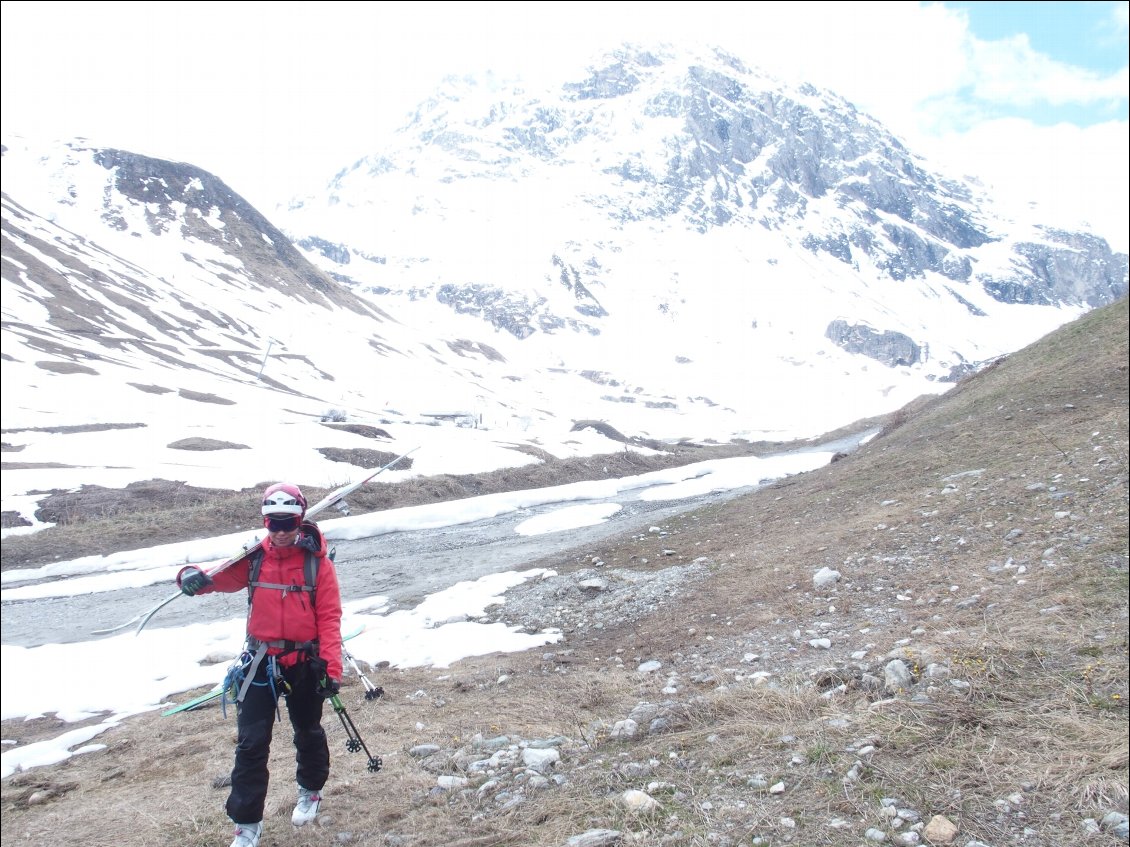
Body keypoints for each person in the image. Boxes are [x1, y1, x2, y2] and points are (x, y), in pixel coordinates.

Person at [177, 482, 343, 847]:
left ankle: (310, 791)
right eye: (273, 523)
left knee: (308, 731)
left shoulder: (318, 565)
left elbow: (329, 619)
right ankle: (247, 824)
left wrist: (331, 670)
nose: (281, 531)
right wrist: (188, 576)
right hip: (259, 665)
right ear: (264, 522)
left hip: (305, 662)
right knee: (251, 744)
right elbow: (211, 580)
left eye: (288, 522)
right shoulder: (252, 560)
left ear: (300, 519)